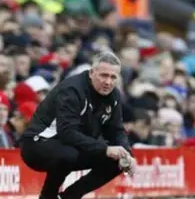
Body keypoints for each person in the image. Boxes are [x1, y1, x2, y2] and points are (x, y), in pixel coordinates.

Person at [20, 51, 136, 199]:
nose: (108, 82)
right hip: (36, 145)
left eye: (113, 77)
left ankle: (69, 197)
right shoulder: (73, 90)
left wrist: (127, 155)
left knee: (116, 161)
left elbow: (116, 130)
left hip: (70, 146)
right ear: (91, 73)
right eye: (103, 75)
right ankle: (48, 196)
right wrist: (104, 149)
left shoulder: (113, 95)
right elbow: (67, 132)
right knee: (69, 153)